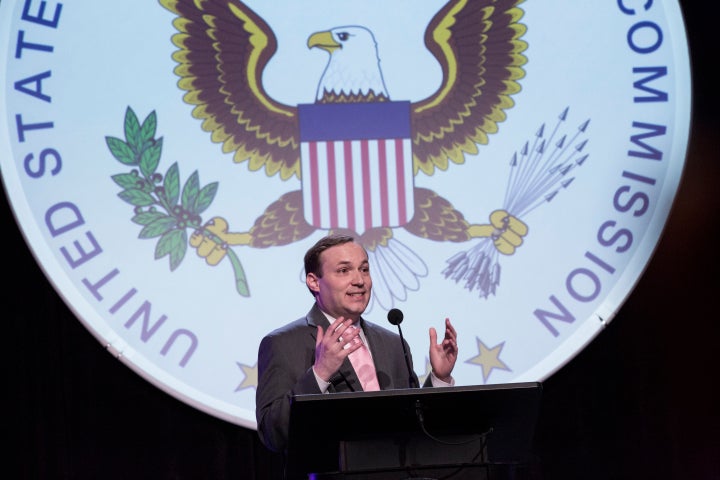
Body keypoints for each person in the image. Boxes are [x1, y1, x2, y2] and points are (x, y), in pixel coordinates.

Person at [255, 233, 459, 454]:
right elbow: (272, 434)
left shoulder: (391, 344)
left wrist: (439, 379)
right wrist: (320, 373)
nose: (360, 281)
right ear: (314, 281)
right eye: (344, 271)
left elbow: (416, 425)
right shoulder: (283, 344)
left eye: (364, 269)